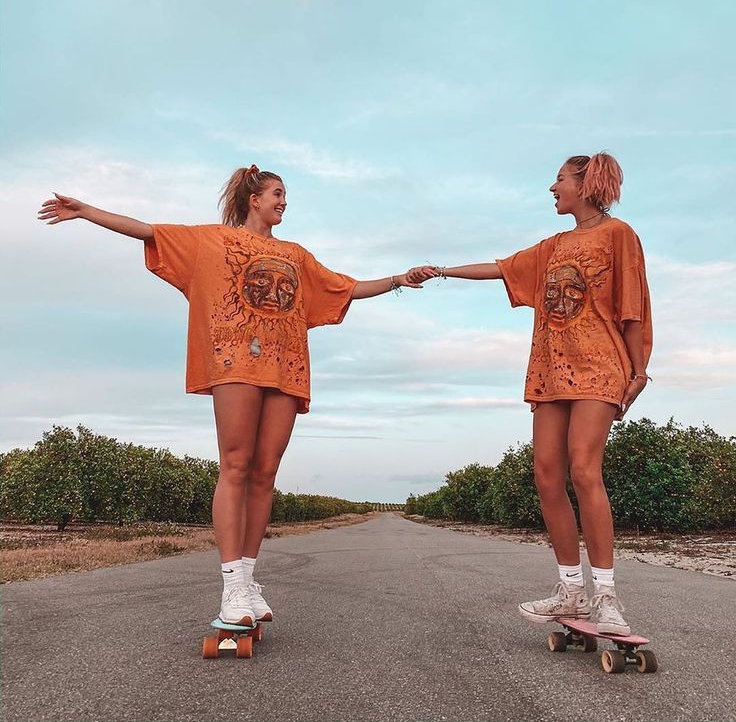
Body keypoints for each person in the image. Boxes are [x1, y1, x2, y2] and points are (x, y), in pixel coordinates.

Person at [38, 164, 435, 627]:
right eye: (277, 194)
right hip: (234, 362)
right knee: (236, 463)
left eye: (285, 195)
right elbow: (148, 230)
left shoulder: (295, 254)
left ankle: (248, 580)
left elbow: (343, 287)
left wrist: (398, 281)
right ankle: (231, 590)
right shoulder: (213, 240)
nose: (284, 202)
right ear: (254, 199)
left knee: (265, 472)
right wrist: (86, 212)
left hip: (285, 366)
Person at [414, 153, 651, 636]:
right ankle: (570, 589)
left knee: (585, 469)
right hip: (550, 370)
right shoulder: (552, 246)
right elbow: (503, 268)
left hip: (600, 367)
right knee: (546, 476)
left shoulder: (618, 234)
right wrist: (442, 271)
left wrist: (639, 370)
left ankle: (605, 595)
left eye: (560, 180)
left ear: (587, 185)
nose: (552, 188)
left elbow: (635, 305)